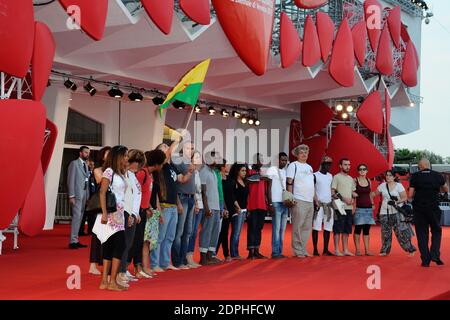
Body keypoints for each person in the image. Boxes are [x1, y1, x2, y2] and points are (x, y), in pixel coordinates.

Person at [150, 142, 185, 272]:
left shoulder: (171, 167)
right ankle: (154, 264)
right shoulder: (161, 166)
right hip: (163, 206)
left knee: (170, 237)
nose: (166, 151)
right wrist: (175, 142)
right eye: (163, 149)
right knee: (159, 237)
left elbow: (175, 185)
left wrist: (179, 203)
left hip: (173, 205)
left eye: (166, 148)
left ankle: (165, 262)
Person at [98, 145, 129, 291]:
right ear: (118, 156)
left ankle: (106, 281)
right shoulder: (109, 171)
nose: (127, 158)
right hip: (111, 214)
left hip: (120, 214)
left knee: (111, 246)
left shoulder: (120, 173)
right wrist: (104, 213)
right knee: (118, 245)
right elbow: (102, 192)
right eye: (125, 155)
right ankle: (110, 281)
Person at [409, 159, 449, 267]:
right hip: (434, 208)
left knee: (422, 234)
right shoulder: (438, 175)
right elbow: (446, 189)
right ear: (429, 165)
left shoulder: (415, 176)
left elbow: (410, 194)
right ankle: (435, 254)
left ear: (420, 166)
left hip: (419, 209)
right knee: (436, 231)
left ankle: (425, 260)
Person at [134, 149, 166, 277]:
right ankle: (137, 268)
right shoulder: (142, 173)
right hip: (141, 212)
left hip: (149, 211)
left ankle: (143, 268)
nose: (162, 166)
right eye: (162, 163)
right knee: (140, 242)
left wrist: (156, 211)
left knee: (147, 241)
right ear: (157, 163)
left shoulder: (151, 175)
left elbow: (151, 195)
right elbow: (136, 192)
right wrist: (144, 208)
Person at [371, 170, 416, 257]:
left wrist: (396, 201)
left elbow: (404, 197)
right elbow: (372, 194)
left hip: (396, 212)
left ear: (394, 177)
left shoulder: (398, 186)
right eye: (387, 175)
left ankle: (410, 249)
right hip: (384, 212)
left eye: (390, 175)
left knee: (401, 232)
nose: (388, 177)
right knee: (385, 233)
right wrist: (372, 202)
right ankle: (384, 250)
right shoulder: (382, 186)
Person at [117, 149, 144, 288]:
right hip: (125, 213)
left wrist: (136, 212)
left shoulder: (132, 175)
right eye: (135, 163)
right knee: (124, 244)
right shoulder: (123, 174)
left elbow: (136, 195)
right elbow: (125, 196)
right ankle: (119, 272)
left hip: (132, 213)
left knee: (129, 244)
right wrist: (129, 213)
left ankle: (123, 270)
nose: (138, 167)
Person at [286, 145, 315, 258]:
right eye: (301, 152)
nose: (304, 154)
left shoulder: (309, 167)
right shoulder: (293, 165)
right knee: (298, 226)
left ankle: (303, 249)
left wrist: (314, 198)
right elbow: (289, 182)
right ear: (297, 154)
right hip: (298, 199)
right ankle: (297, 250)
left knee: (307, 227)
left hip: (309, 200)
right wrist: (290, 198)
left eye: (306, 152)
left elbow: (312, 184)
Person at [171, 141, 195, 269]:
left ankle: (184, 260)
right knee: (179, 232)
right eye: (187, 148)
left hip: (191, 198)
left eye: (192, 148)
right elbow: (182, 180)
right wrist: (190, 172)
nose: (190, 150)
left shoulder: (190, 163)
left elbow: (193, 185)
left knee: (188, 232)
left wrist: (195, 200)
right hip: (182, 197)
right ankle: (177, 261)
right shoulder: (178, 161)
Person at [88, 146, 111, 275]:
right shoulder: (98, 170)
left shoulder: (114, 170)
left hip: (111, 207)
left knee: (109, 236)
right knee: (97, 235)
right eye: (107, 154)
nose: (109, 156)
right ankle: (92, 265)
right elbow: (100, 181)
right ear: (102, 156)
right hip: (100, 207)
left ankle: (105, 264)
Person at [198, 152, 222, 265]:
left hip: (216, 206)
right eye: (215, 157)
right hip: (209, 207)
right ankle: (203, 257)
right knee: (206, 231)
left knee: (215, 232)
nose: (217, 160)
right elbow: (202, 191)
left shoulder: (213, 172)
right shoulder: (203, 171)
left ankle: (210, 255)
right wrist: (206, 207)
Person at [246, 153, 272, 259]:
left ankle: (257, 250)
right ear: (254, 161)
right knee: (251, 228)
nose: (261, 162)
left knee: (259, 228)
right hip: (251, 205)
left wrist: (269, 203)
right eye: (259, 159)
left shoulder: (263, 173)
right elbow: (248, 180)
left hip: (262, 205)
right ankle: (250, 252)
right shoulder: (249, 172)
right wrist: (261, 178)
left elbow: (267, 191)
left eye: (262, 159)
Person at [266, 152, 289, 259]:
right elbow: (268, 188)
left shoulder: (285, 171)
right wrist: (270, 203)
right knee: (276, 228)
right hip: (275, 202)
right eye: (282, 160)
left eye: (285, 160)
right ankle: (275, 252)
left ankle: (280, 251)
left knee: (282, 229)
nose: (284, 162)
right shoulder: (272, 170)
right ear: (278, 160)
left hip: (285, 203)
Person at [67, 146, 91, 249]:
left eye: (88, 152)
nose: (87, 154)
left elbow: (87, 181)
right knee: (76, 217)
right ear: (80, 153)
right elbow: (70, 180)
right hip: (76, 195)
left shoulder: (86, 164)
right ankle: (72, 241)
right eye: (85, 152)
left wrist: (88, 196)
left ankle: (76, 239)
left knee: (80, 218)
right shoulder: (74, 164)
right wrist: (71, 195)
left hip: (84, 195)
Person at [331, 158, 355, 256]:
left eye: (349, 164)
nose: (347, 166)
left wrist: (353, 201)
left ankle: (345, 249)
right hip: (339, 207)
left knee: (347, 229)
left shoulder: (351, 179)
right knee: (337, 229)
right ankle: (337, 250)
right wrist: (344, 199)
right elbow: (333, 192)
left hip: (349, 207)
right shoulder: (336, 177)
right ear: (340, 166)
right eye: (345, 164)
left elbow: (353, 192)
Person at [312, 156, 334, 256]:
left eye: (330, 164)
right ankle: (315, 249)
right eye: (326, 164)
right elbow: (312, 190)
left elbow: (331, 190)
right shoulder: (315, 175)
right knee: (316, 226)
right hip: (319, 205)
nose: (328, 166)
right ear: (322, 164)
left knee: (328, 227)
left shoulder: (330, 176)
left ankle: (325, 249)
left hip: (329, 205)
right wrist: (315, 201)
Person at [353, 164, 375, 256]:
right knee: (358, 229)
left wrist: (372, 203)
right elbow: (351, 192)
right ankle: (358, 250)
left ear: (367, 171)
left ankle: (367, 250)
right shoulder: (355, 180)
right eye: (360, 169)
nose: (362, 171)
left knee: (367, 230)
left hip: (368, 208)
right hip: (359, 208)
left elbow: (370, 193)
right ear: (358, 171)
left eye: (364, 169)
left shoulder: (368, 180)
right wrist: (353, 206)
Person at [229, 163, 249, 260]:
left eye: (245, 170)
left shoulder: (244, 182)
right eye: (242, 170)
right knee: (235, 232)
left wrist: (246, 209)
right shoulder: (234, 182)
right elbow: (232, 197)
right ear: (237, 171)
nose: (245, 172)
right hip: (237, 210)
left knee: (238, 232)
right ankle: (234, 253)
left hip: (244, 210)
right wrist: (238, 207)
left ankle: (235, 252)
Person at [216, 160, 233, 261]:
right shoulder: (218, 178)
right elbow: (221, 194)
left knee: (225, 231)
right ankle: (217, 253)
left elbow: (231, 194)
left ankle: (225, 254)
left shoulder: (229, 178)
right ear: (222, 167)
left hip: (229, 208)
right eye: (226, 164)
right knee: (220, 231)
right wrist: (224, 208)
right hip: (221, 207)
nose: (228, 166)